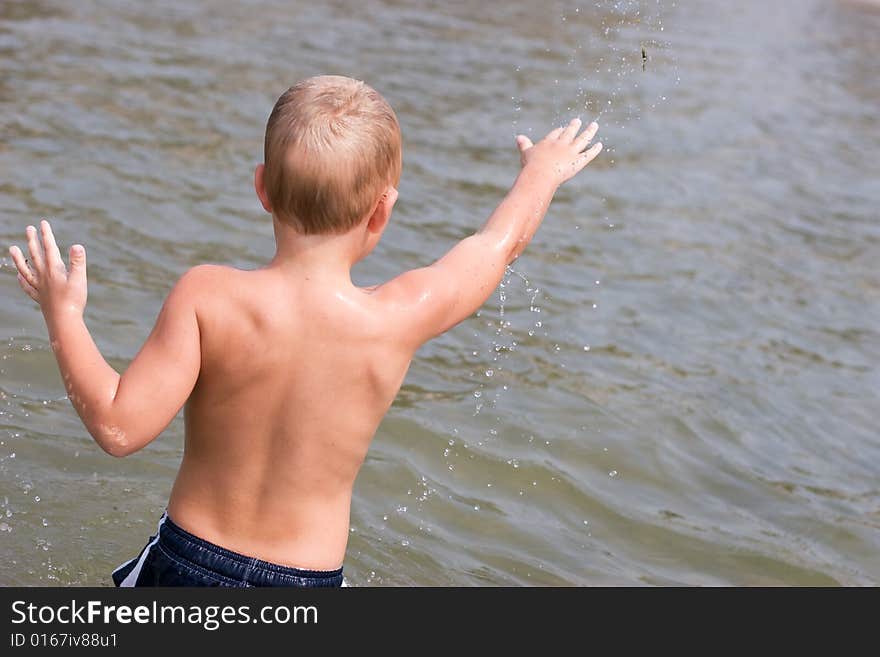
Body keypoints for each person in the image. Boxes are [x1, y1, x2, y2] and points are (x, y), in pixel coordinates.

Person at [8, 75, 602, 587]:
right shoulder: (398, 317)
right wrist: (541, 174)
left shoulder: (208, 297)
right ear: (382, 211)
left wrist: (63, 313)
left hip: (185, 562)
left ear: (262, 187)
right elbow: (497, 248)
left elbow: (117, 427)